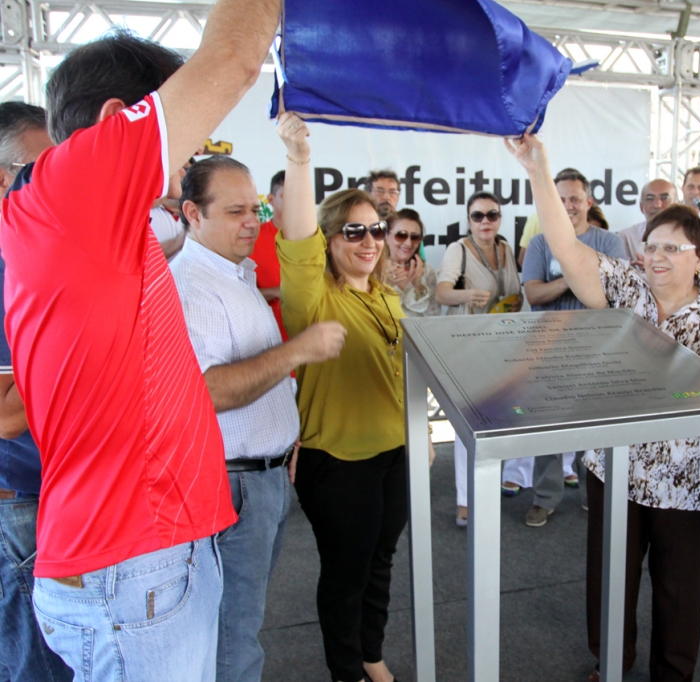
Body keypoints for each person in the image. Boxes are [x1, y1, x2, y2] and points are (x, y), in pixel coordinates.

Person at [0, 2, 281, 677]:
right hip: (133, 564)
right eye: (187, 131)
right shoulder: (74, 186)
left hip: (142, 560)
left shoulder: (89, 223)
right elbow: (235, 57)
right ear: (113, 124)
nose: (190, 157)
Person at [507, 134, 700, 682]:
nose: (658, 256)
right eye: (653, 245)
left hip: (690, 481)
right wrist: (538, 170)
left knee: (680, 588)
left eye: (674, 248)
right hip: (614, 469)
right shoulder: (627, 287)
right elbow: (567, 248)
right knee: (611, 577)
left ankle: (673, 673)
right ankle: (611, 665)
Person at [171, 155, 346, 682]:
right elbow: (207, 391)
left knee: (239, 626)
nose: (253, 221)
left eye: (257, 208)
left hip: (256, 477)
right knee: (233, 636)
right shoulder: (193, 286)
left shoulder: (233, 272)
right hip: (233, 485)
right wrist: (297, 353)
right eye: (235, 211)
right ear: (191, 214)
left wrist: (279, 441)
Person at [275, 113, 433, 682]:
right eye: (353, 231)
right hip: (338, 464)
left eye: (376, 230)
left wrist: (418, 436)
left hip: (395, 455)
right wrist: (299, 160)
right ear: (331, 239)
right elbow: (297, 240)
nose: (369, 241)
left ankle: (371, 656)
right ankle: (347, 671)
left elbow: (400, 374)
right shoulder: (313, 298)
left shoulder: (388, 299)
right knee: (346, 576)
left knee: (380, 564)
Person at [0, 102, 71, 682]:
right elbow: (6, 418)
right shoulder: (11, 264)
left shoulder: (32, 255)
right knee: (37, 664)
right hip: (23, 499)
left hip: (58, 493)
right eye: (41, 166)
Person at [520, 167, 627, 527]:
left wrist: (562, 282)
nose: (568, 206)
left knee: (595, 431)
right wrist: (576, 275)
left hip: (598, 351)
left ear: (589, 201)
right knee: (547, 428)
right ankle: (545, 498)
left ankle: (591, 496)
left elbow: (612, 296)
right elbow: (533, 293)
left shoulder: (610, 243)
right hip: (548, 349)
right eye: (561, 199)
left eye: (575, 199)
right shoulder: (538, 243)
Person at [435, 191, 523, 526]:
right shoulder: (458, 249)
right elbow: (441, 292)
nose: (485, 222)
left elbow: (514, 292)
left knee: (498, 422)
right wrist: (467, 295)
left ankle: (497, 485)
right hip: (469, 346)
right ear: (468, 220)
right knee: (467, 426)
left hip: (503, 344)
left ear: (500, 218)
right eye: (477, 216)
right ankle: (465, 503)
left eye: (492, 215)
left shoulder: (505, 248)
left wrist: (514, 302)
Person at [251, 169, 289, 339]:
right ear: (271, 200)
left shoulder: (317, 237)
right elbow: (235, 294)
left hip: (314, 336)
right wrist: (275, 292)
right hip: (270, 340)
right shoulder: (251, 238)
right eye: (288, 195)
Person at [385, 208, 441, 317]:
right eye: (401, 235)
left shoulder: (427, 271)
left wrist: (418, 286)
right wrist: (385, 285)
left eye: (415, 237)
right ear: (387, 236)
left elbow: (434, 316)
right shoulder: (373, 270)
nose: (408, 243)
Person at [616, 178, 678, 265]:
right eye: (650, 198)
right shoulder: (627, 237)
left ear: (678, 204)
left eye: (664, 198)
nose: (657, 205)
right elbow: (620, 274)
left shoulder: (690, 235)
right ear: (641, 207)